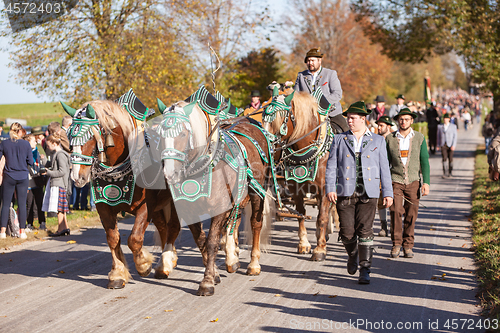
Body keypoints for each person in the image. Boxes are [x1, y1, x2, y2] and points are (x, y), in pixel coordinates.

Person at [326, 101, 393, 284]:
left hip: (368, 192)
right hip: (345, 192)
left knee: (365, 230)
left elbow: (384, 169)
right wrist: (331, 187)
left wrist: (388, 193)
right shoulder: (339, 139)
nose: (349, 121)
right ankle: (352, 255)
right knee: (347, 232)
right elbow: (331, 166)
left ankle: (365, 268)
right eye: (348, 118)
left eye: (353, 118)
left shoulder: (378, 140)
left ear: (363, 119)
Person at [386, 108, 430, 258]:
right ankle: (396, 243)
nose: (403, 122)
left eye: (407, 119)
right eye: (401, 119)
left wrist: (426, 183)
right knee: (396, 211)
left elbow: (424, 162)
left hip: (413, 182)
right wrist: (383, 183)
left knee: (411, 214)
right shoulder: (390, 138)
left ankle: (408, 245)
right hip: (395, 181)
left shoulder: (419, 138)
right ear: (398, 121)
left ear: (412, 121)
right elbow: (385, 163)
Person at [294, 48, 348, 134]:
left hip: (331, 113)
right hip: (307, 114)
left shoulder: (330, 74)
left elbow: (337, 94)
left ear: (319, 61)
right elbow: (295, 95)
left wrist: (320, 102)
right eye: (308, 61)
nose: (310, 63)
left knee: (347, 132)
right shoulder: (301, 75)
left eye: (312, 60)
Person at [0, 123, 33, 239]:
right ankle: (22, 231)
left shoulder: (4, 143)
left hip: (9, 175)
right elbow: (31, 161)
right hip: (23, 175)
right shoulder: (26, 144)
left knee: (6, 204)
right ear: (20, 131)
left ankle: (2, 231)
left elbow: (1, 159)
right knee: (22, 204)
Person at [41, 132, 71, 237]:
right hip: (59, 183)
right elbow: (53, 165)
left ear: (55, 144)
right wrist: (44, 160)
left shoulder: (60, 155)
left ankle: (60, 229)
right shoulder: (57, 154)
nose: (48, 148)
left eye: (48, 145)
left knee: (59, 209)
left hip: (59, 184)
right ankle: (65, 228)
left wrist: (48, 173)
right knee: (61, 209)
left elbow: (62, 171)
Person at [375, 116, 394, 237]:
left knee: (393, 201)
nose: (379, 128)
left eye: (381, 125)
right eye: (378, 125)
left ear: (388, 126)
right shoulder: (375, 139)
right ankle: (383, 226)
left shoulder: (394, 139)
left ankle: (394, 225)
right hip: (378, 173)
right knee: (380, 200)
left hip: (393, 173)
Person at [24, 133, 48, 230]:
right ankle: (29, 223)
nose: (36, 142)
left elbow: (39, 164)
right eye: (33, 141)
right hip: (29, 181)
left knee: (40, 202)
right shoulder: (26, 153)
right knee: (29, 203)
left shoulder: (37, 151)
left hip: (38, 180)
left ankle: (42, 222)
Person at [437, 113, 458, 178]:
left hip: (450, 144)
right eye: (444, 119)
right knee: (444, 158)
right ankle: (444, 172)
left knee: (450, 159)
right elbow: (438, 136)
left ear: (449, 119)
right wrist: (438, 145)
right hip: (443, 144)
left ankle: (450, 172)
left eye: (446, 118)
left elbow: (455, 136)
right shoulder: (440, 126)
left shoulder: (453, 126)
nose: (445, 120)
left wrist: (453, 145)